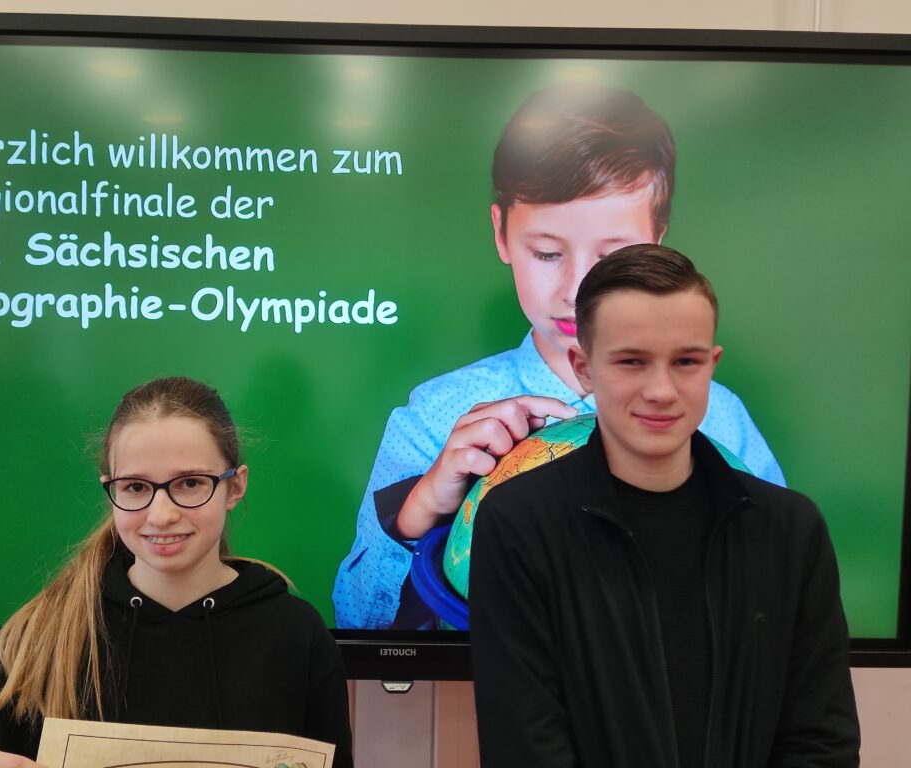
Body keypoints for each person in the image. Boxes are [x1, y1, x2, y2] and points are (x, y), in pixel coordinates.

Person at [333, 82, 785, 630]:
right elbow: (356, 623)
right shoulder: (434, 419)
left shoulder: (721, 419)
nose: (578, 289)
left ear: (658, 242)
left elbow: (780, 600)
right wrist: (418, 511)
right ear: (501, 233)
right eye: (547, 253)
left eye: (614, 256)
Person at [469, 245, 859, 767]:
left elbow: (822, 743)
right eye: (631, 361)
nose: (661, 390)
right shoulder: (519, 522)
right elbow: (525, 746)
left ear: (711, 365)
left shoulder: (790, 529)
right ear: (584, 368)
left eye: (685, 362)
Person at [0, 377, 353, 768]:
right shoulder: (43, 637)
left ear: (235, 486)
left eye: (190, 483)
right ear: (112, 490)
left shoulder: (297, 635)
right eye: (136, 487)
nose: (162, 515)